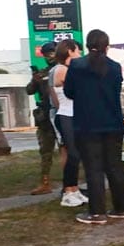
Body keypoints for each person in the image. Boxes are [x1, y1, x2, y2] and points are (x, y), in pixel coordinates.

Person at [64, 29, 124, 225]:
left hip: (87, 124)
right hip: (114, 123)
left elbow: (69, 92)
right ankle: (121, 209)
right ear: (106, 46)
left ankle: (97, 213)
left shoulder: (76, 65)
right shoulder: (115, 67)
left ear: (86, 45)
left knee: (93, 168)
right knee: (115, 166)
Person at [50, 39, 88, 208]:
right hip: (66, 116)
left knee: (76, 154)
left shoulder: (69, 69)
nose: (79, 54)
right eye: (78, 51)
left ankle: (74, 189)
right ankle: (67, 192)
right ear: (70, 51)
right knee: (72, 154)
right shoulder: (62, 70)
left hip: (73, 115)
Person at [25, 41, 58, 194]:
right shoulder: (43, 73)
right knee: (45, 151)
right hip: (45, 117)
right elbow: (29, 90)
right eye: (46, 54)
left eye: (52, 53)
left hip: (62, 114)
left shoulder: (64, 70)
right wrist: (35, 80)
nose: (49, 57)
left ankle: (72, 184)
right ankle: (45, 183)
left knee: (70, 150)